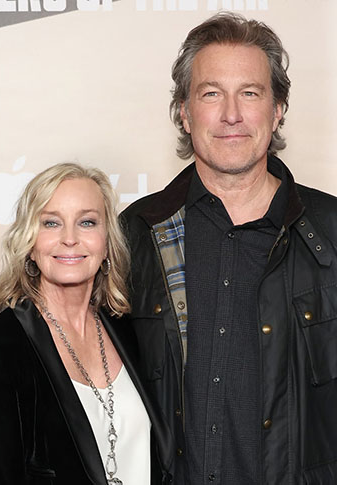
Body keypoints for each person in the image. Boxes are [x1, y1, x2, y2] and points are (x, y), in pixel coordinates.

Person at [120, 12, 337, 484]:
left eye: (251, 93)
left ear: (278, 110)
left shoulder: (332, 232)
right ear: (184, 111)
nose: (231, 114)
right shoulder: (137, 233)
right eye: (211, 93)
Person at [0, 163, 170, 484]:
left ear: (107, 243)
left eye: (87, 222)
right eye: (51, 223)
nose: (69, 239)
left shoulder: (129, 329)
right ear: (30, 244)